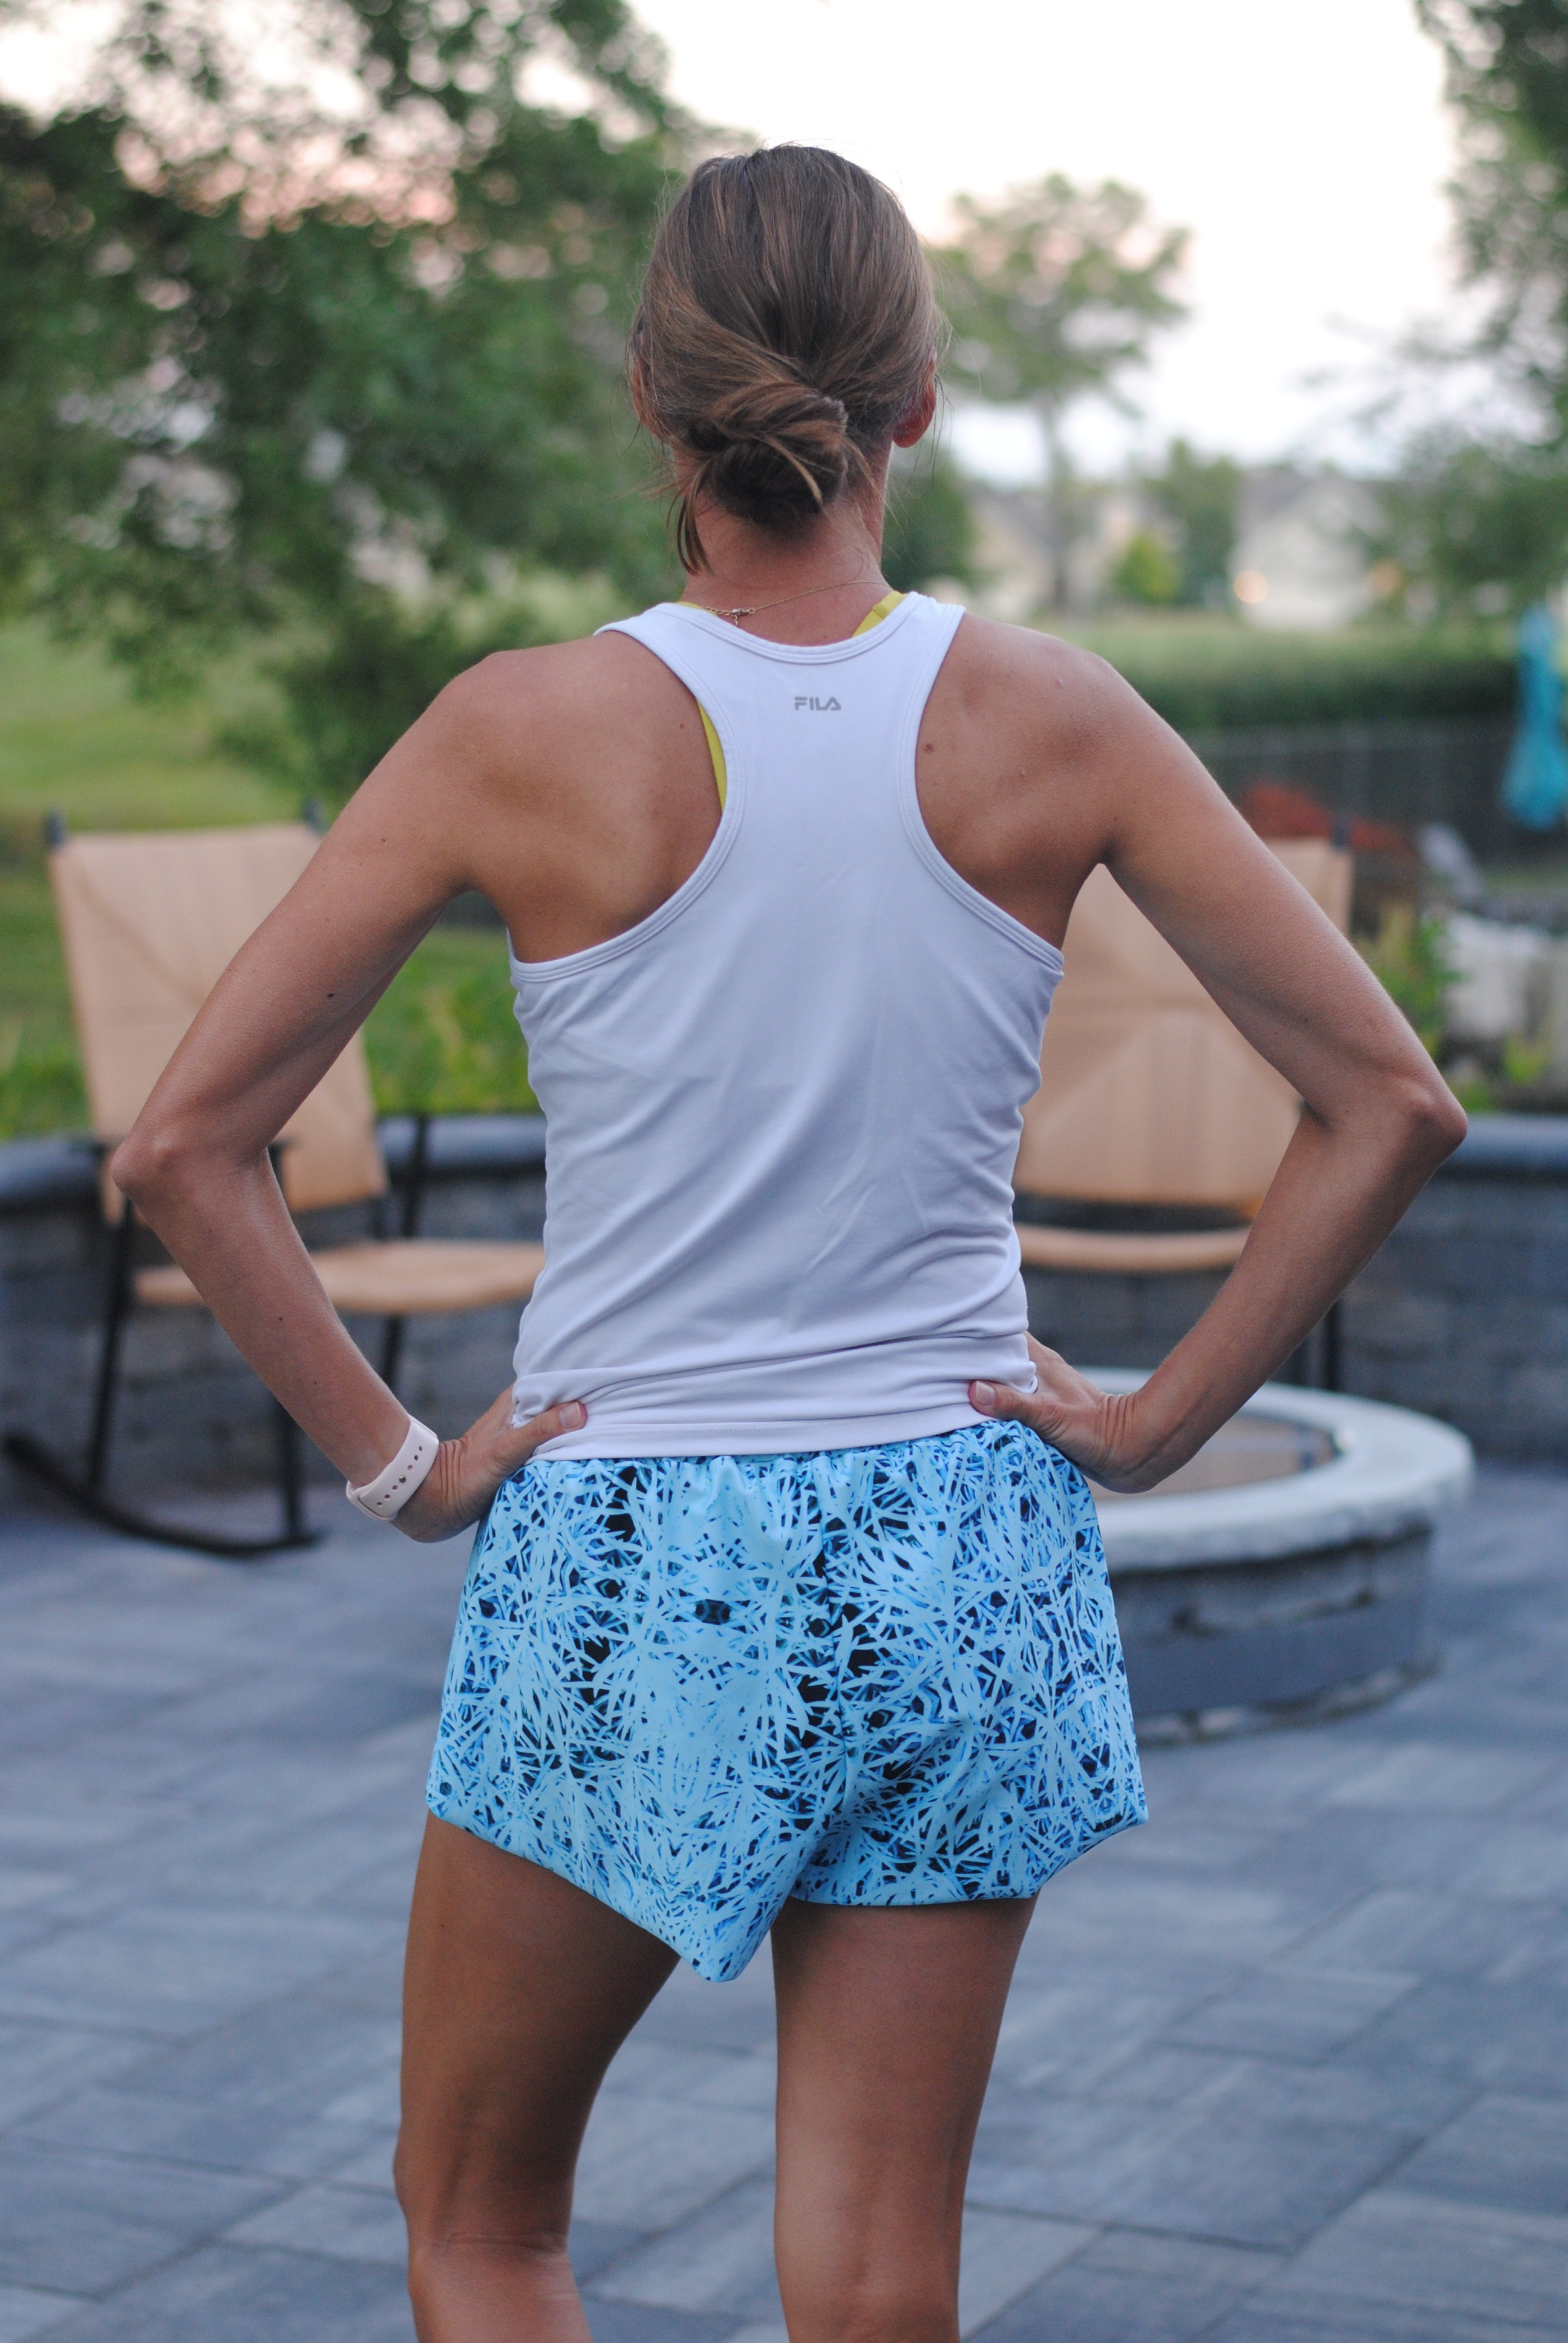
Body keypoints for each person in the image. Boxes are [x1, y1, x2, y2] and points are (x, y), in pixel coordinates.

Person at [114, 145, 1465, 2343]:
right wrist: (1149, 1428)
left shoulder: (517, 728)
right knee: (875, 2273)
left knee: (485, 2221)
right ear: (914, 405)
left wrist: (407, 1468)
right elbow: (1394, 1098)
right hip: (962, 1538)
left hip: (636, 1550)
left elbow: (186, 1145)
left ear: (651, 398)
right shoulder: (1060, 716)